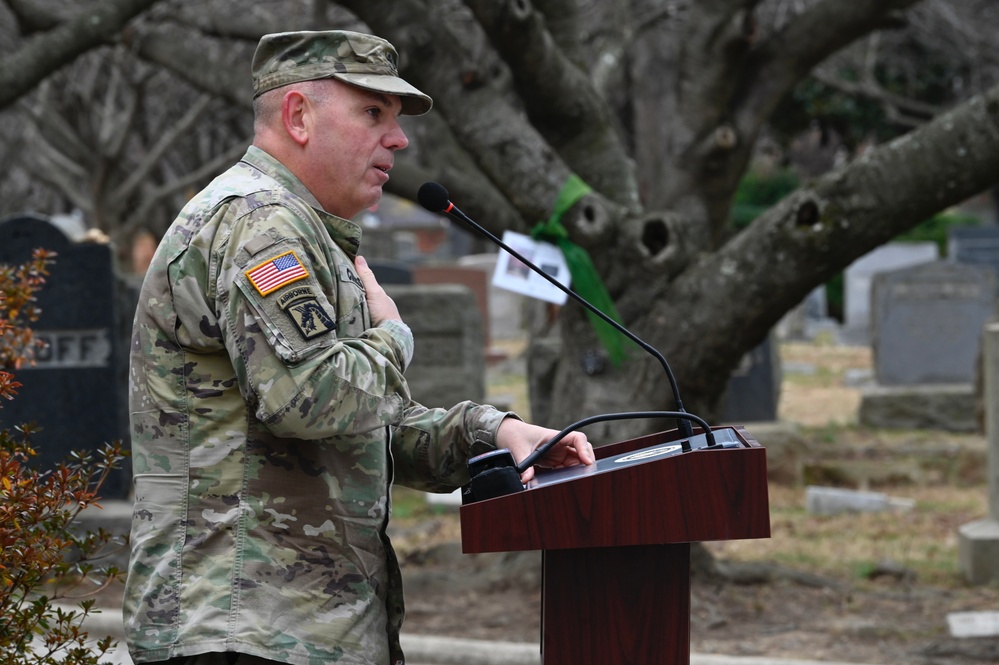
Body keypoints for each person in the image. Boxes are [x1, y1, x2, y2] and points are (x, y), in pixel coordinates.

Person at [122, 30, 594, 665]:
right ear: (298, 116)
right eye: (374, 113)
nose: (397, 140)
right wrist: (393, 336)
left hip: (293, 628)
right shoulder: (261, 224)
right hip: (244, 628)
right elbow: (306, 397)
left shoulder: (305, 228)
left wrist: (495, 433)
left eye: (395, 120)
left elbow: (359, 427)